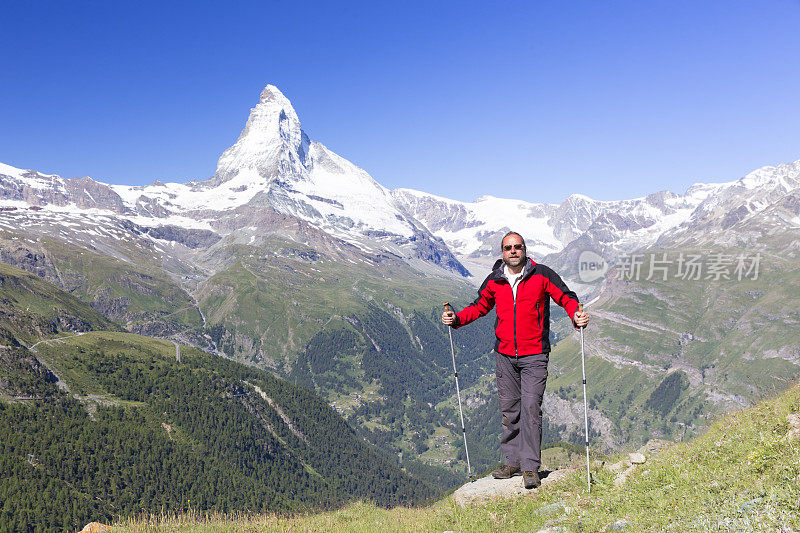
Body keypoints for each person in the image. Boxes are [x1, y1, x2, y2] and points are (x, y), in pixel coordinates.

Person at [442, 231, 589, 489]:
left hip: (535, 355)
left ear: (524, 249)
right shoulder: (494, 280)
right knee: (510, 410)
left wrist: (575, 315)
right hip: (505, 356)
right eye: (508, 247)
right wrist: (457, 319)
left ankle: (530, 466)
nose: (513, 251)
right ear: (502, 252)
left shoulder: (542, 274)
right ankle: (512, 462)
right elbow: (479, 307)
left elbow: (565, 297)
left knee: (531, 409)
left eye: (517, 247)